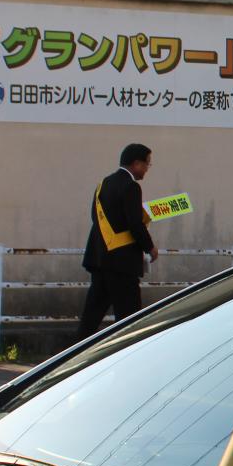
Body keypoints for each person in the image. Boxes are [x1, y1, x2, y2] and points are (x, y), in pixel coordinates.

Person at [76, 143, 158, 339]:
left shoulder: (103, 184)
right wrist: (150, 247)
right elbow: (134, 224)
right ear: (136, 164)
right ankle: (127, 353)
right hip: (122, 263)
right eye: (147, 164)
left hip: (99, 259)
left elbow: (96, 218)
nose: (147, 168)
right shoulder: (131, 186)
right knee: (128, 317)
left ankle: (73, 352)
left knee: (92, 314)